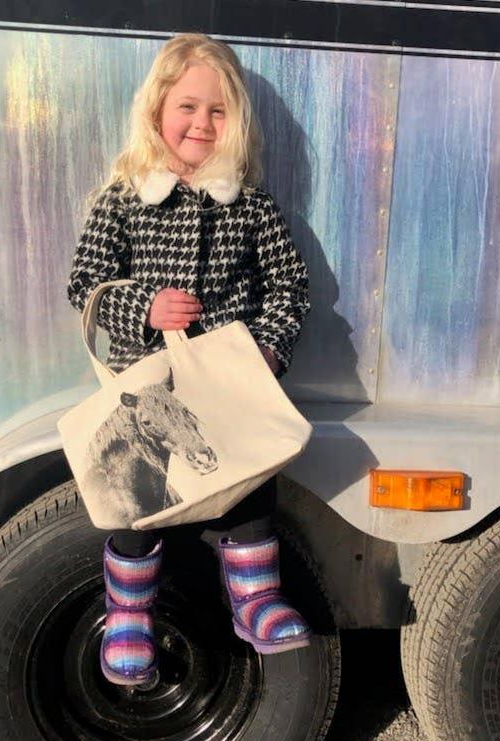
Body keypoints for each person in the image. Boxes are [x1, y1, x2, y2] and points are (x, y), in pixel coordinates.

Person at [66, 32, 312, 688]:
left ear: (234, 122)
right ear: (156, 113)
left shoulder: (249, 204)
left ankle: (255, 599)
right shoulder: (125, 197)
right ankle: (128, 614)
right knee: (138, 503)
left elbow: (290, 284)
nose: (201, 123)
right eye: (188, 107)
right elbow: (84, 285)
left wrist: (267, 347)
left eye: (218, 111)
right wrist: (143, 310)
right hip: (145, 387)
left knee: (248, 485)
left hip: (225, 379)